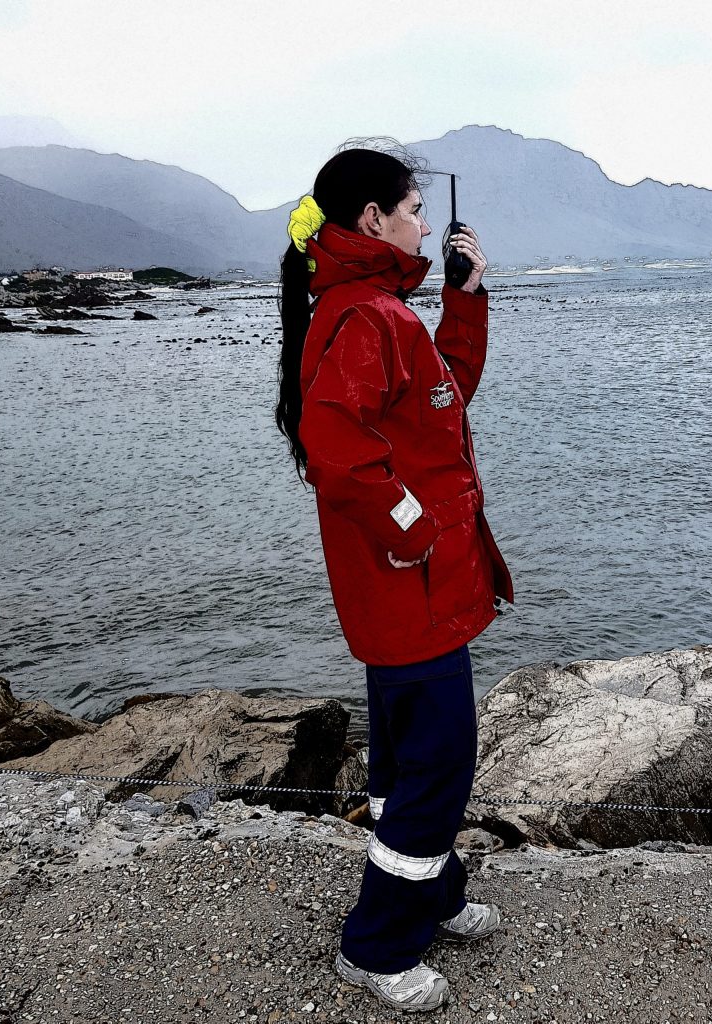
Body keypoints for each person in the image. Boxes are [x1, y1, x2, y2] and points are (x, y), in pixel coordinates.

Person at [275, 142, 514, 1013]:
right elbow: (341, 457)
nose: (423, 223)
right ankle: (375, 946)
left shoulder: (377, 309)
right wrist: (414, 531)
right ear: (372, 219)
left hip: (413, 586)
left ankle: (435, 895)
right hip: (407, 586)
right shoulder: (364, 316)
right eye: (414, 210)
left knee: (405, 756)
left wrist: (465, 295)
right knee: (441, 763)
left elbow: (444, 395)